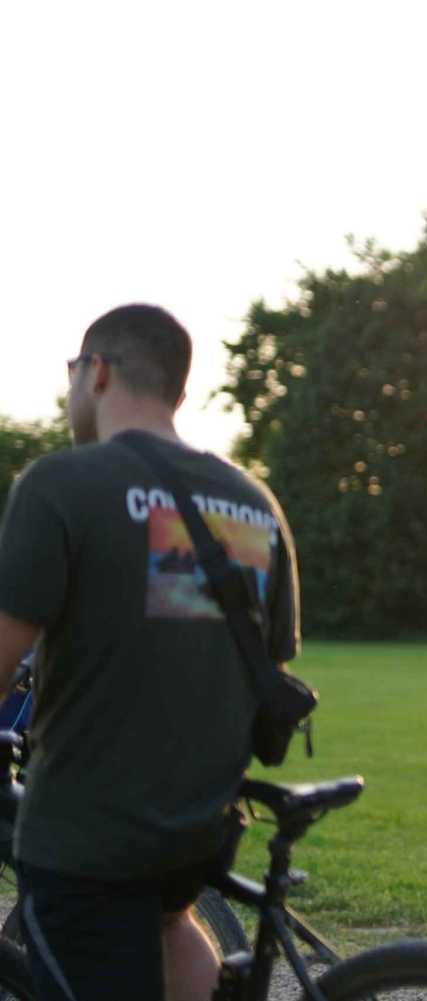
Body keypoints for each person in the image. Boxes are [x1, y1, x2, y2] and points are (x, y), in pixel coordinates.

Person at [0, 305, 301, 1001]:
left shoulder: (62, 484)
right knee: (169, 925)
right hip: (197, 828)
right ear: (180, 392)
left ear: (96, 371)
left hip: (88, 835)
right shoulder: (253, 502)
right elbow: (269, 662)